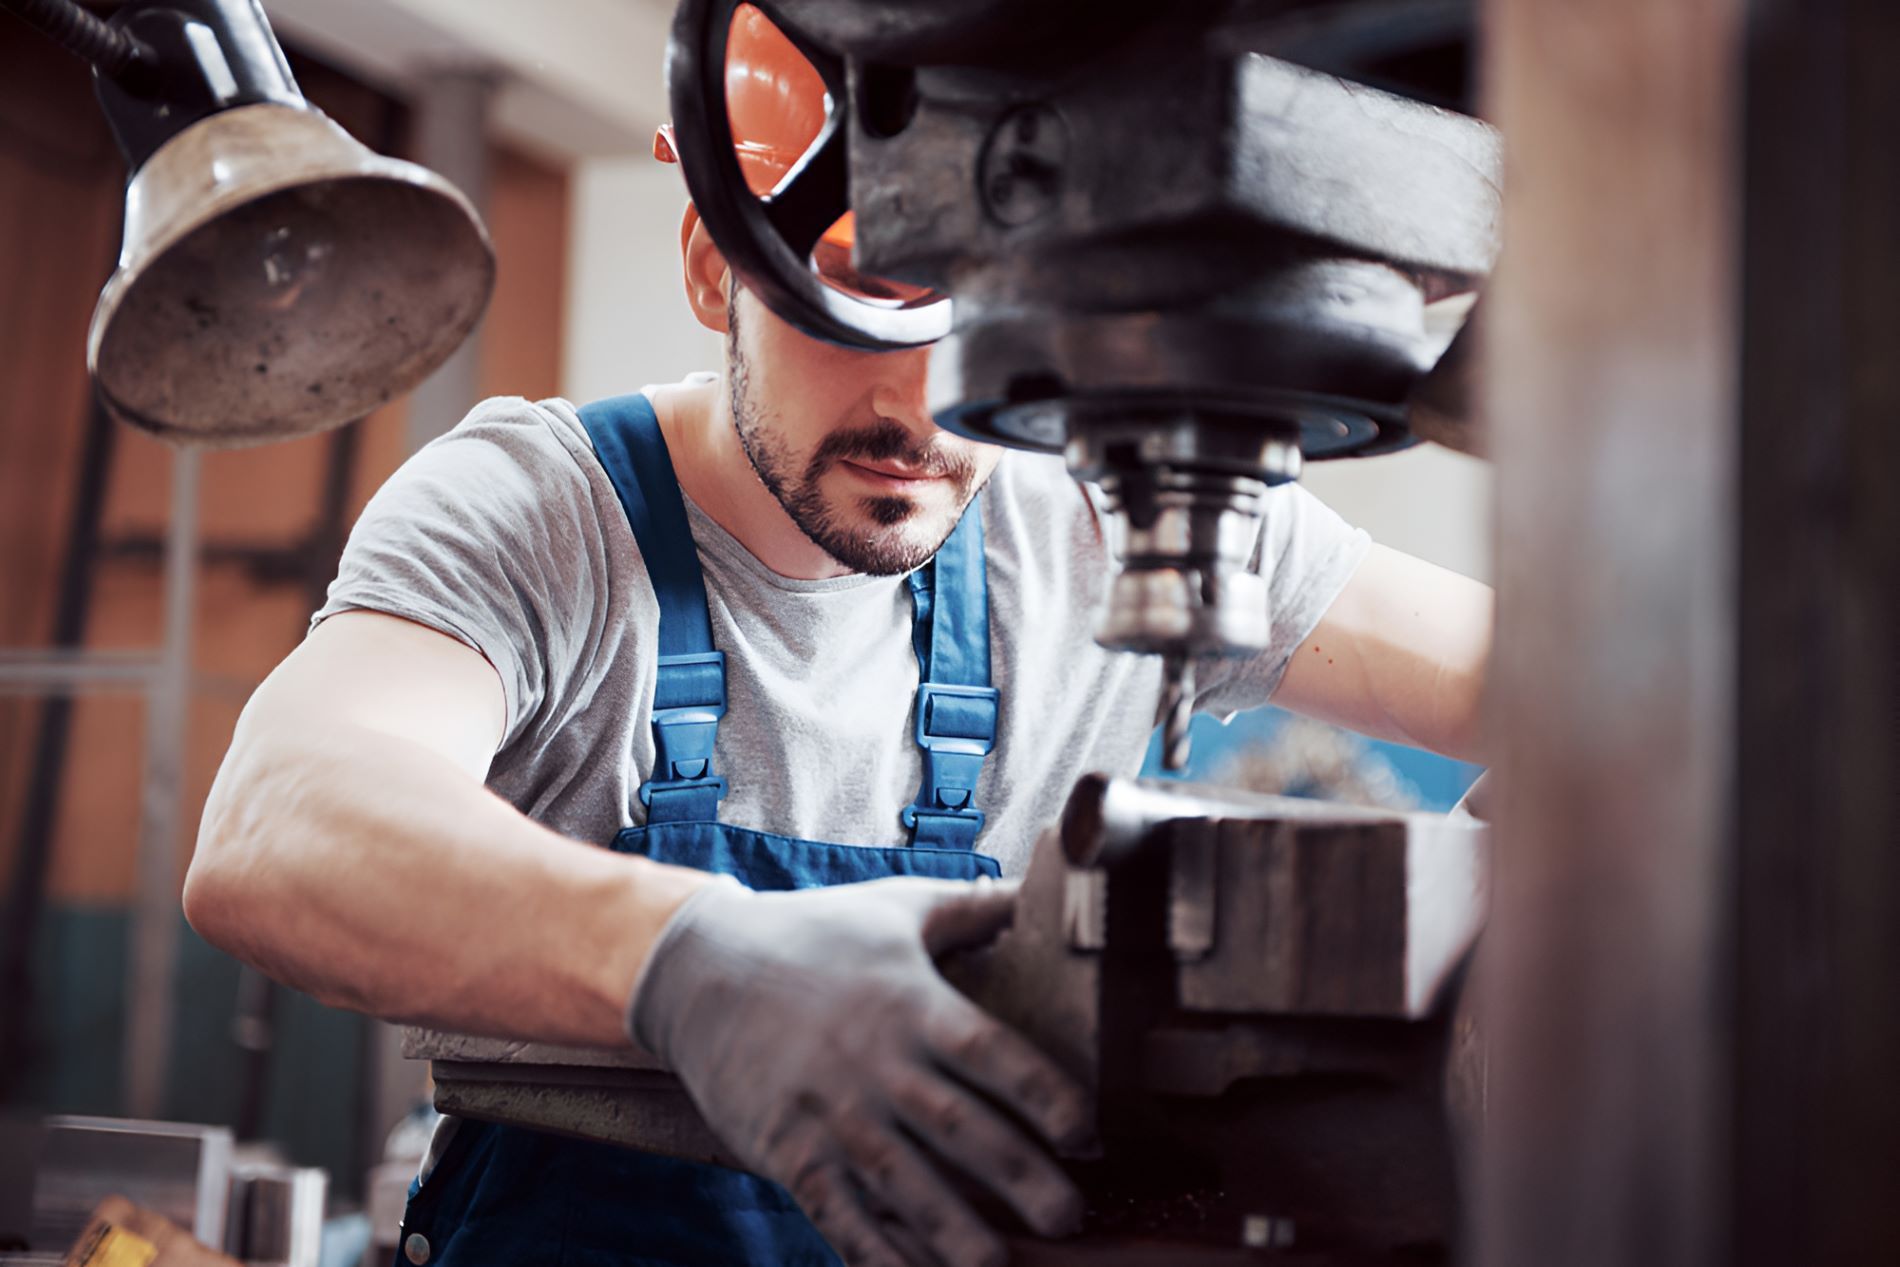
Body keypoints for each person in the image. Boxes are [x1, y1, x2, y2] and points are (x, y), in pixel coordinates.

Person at [184, 8, 1492, 1266]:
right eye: (858, 299)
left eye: (984, 314)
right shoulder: (538, 509)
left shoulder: (1116, 513)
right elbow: (276, 827)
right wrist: (684, 963)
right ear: (713, 264)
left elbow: (1595, 703)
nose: (922, 402)